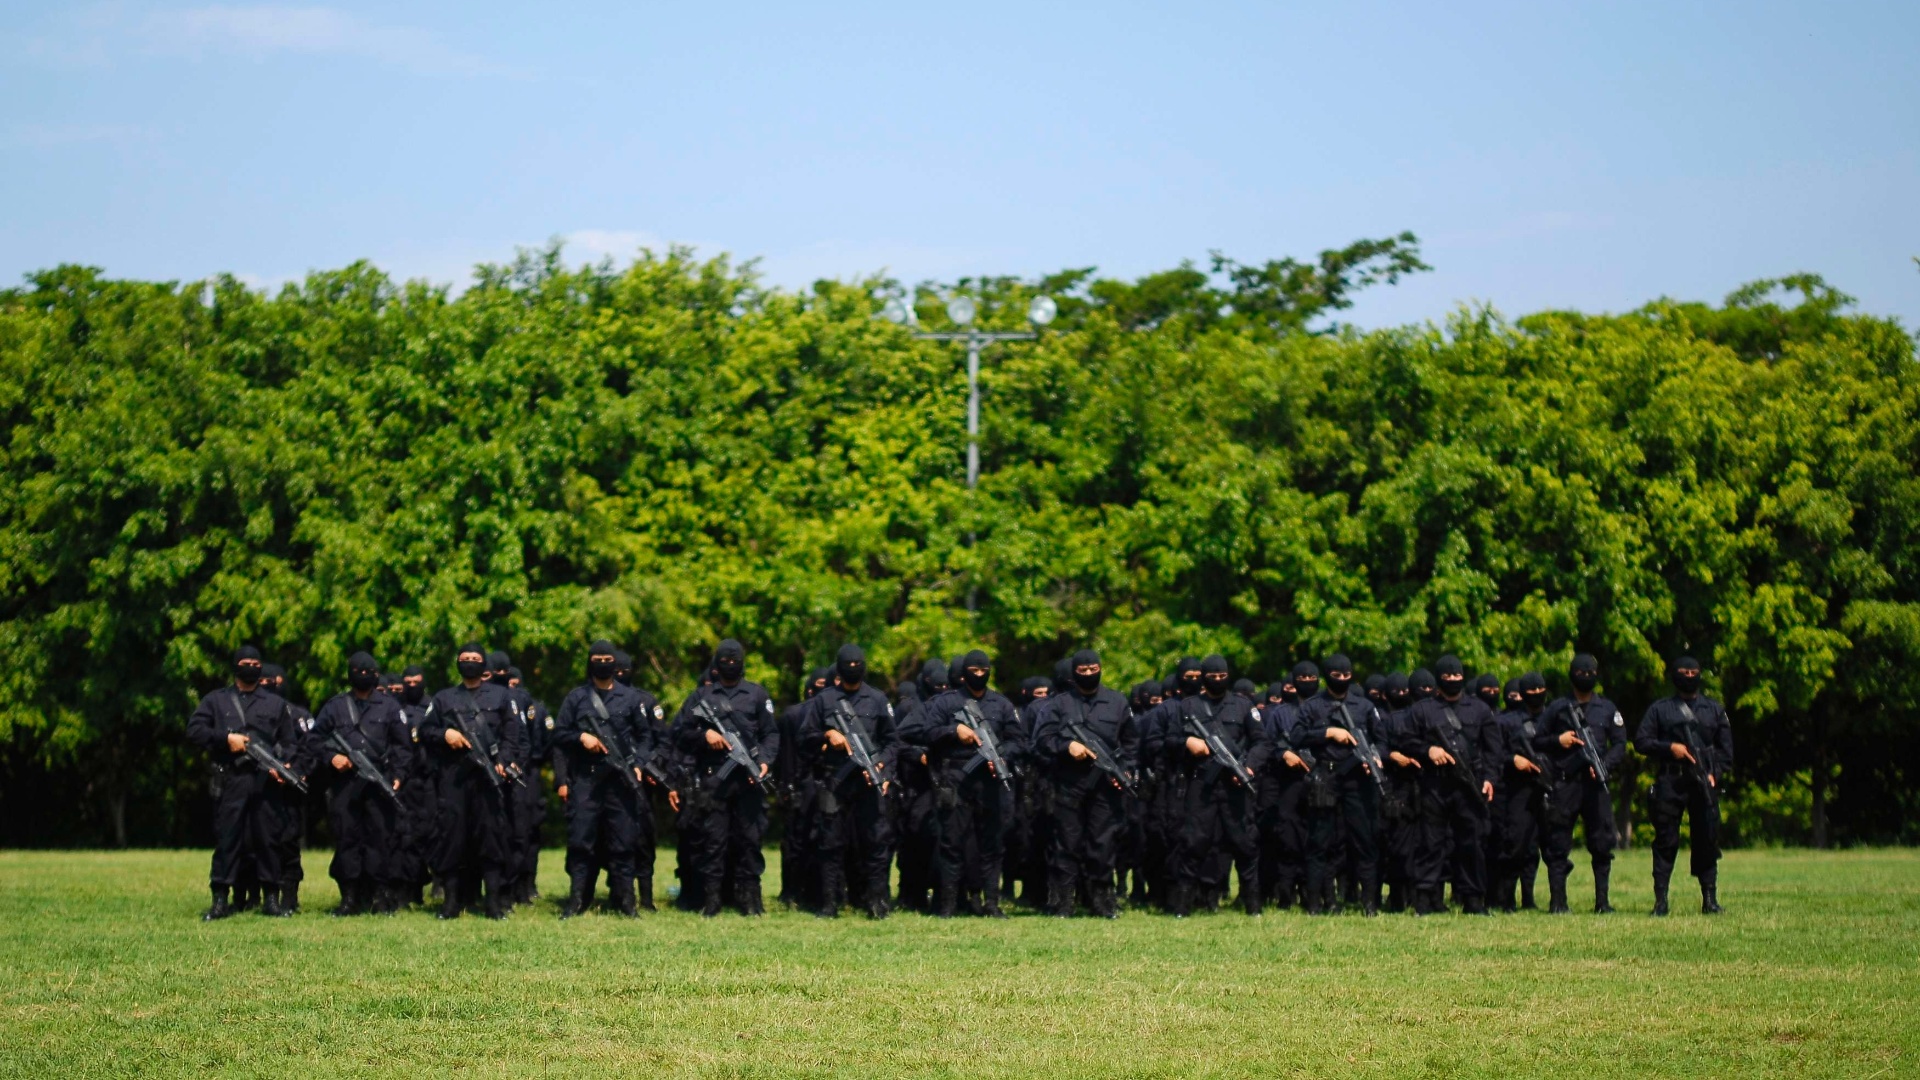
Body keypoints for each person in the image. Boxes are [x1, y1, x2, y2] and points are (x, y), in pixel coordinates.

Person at [900, 650, 1027, 917]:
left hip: (990, 780)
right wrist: (954, 731)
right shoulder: (947, 703)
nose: (979, 676)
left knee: (991, 843)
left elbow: (1019, 741)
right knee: (951, 842)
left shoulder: (1001, 705)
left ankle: (991, 903)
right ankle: (948, 904)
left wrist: (1002, 756)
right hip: (955, 779)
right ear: (964, 673)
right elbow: (927, 732)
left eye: (984, 671)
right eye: (974, 671)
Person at [186, 646, 305, 919]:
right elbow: (195, 730)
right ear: (235, 666)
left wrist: (284, 765)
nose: (251, 666)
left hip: (265, 784)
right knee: (228, 840)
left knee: (268, 841)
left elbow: (289, 743)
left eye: (255, 662)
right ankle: (220, 900)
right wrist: (226, 740)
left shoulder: (275, 704)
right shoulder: (217, 701)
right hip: (231, 779)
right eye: (245, 662)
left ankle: (271, 900)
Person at [553, 640, 666, 917]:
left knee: (624, 842)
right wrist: (581, 737)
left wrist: (638, 764)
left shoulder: (630, 699)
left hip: (620, 783)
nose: (602, 662)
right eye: (597, 658)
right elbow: (558, 734)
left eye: (607, 658)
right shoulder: (576, 698)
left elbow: (645, 737)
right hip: (587, 782)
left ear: (615, 663)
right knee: (581, 841)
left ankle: (627, 903)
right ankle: (577, 902)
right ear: (590, 661)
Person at [419, 643, 528, 919]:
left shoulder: (502, 697)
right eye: (464, 659)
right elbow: (425, 730)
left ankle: (493, 903)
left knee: (491, 838)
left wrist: (503, 761)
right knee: (453, 838)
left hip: (488, 781)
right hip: (454, 780)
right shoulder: (444, 699)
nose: (469, 662)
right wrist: (446, 735)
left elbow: (512, 734)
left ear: (484, 664)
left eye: (475, 659)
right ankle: (451, 903)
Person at [671, 639, 777, 916]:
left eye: (735, 660)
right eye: (725, 660)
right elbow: (680, 734)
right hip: (714, 783)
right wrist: (704, 736)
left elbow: (770, 734)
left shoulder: (757, 695)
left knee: (750, 840)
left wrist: (764, 761)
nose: (731, 665)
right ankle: (712, 900)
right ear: (717, 665)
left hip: (748, 782)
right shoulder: (701, 697)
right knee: (713, 841)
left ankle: (751, 899)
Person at [1031, 650, 1138, 918]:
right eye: (1083, 671)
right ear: (1074, 673)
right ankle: (1063, 903)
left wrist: (1126, 771)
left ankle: (1101, 901)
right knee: (1066, 843)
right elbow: (1042, 740)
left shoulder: (1117, 701)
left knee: (1102, 844)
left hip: (1105, 785)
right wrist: (1067, 746)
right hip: (1069, 783)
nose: (1089, 674)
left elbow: (1131, 743)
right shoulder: (1058, 704)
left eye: (1093, 669)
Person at [1161, 655, 1269, 916]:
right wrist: (1188, 742)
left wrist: (1249, 767)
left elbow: (1262, 743)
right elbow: (1169, 740)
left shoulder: (1243, 706)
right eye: (1213, 677)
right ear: (1203, 678)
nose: (1219, 681)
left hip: (1235, 785)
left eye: (1223, 676)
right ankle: (1183, 905)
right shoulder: (1189, 706)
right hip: (1203, 786)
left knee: (1245, 842)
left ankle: (1252, 904)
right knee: (1193, 842)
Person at [1397, 655, 1504, 915]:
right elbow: (1404, 740)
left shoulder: (1479, 710)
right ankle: (1424, 900)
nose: (1454, 680)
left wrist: (1490, 779)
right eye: (1448, 677)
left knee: (1472, 843)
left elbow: (1494, 749)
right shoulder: (1423, 709)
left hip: (1470, 787)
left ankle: (1473, 901)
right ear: (1439, 678)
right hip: (1435, 785)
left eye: (1458, 676)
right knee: (1431, 844)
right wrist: (1428, 750)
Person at [796, 644, 897, 918]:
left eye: (859, 664)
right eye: (849, 665)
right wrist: (827, 735)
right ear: (839, 668)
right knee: (830, 843)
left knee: (875, 842)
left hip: (867, 782)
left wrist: (882, 767)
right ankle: (829, 903)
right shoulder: (824, 700)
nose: (855, 669)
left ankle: (876, 902)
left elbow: (891, 742)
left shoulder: (877, 700)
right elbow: (804, 739)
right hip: (835, 781)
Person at [313, 651, 412, 915]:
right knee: (347, 838)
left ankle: (380, 896)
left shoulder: (390, 707)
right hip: (344, 786)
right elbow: (313, 741)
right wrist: (332, 757)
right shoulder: (335, 707)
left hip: (378, 785)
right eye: (357, 670)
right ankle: (349, 897)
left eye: (368, 671)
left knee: (380, 839)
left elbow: (403, 747)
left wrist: (398, 776)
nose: (363, 675)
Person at [1635, 655, 1734, 916]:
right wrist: (1670, 748)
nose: (1689, 676)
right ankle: (1661, 901)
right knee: (1666, 840)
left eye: (1694, 672)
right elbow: (1642, 741)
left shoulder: (1714, 709)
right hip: (1671, 781)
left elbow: (1726, 752)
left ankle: (1710, 900)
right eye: (1684, 672)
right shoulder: (1660, 709)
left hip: (1704, 783)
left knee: (1707, 839)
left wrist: (1716, 775)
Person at [1535, 652, 1628, 914]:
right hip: (1566, 784)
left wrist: (1605, 765)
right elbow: (1537, 740)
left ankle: (1602, 902)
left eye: (1590, 673)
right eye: (1580, 673)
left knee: (1601, 843)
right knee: (1558, 842)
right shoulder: (1557, 707)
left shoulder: (1607, 709)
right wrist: (1559, 741)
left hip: (1596, 785)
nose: (1585, 677)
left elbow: (1620, 744)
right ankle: (1558, 902)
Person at [1296, 654, 1383, 915]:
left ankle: (1369, 903)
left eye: (1347, 675)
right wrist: (1327, 733)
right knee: (1319, 841)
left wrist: (1376, 757)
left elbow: (1381, 739)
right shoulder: (1313, 706)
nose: (1343, 680)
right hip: (1326, 777)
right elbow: (1297, 736)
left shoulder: (1365, 707)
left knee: (1364, 839)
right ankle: (1315, 903)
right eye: (1337, 675)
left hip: (1358, 779)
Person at [257, 663, 316, 914]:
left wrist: (296, 769)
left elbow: (312, 747)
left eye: (277, 682)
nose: (273, 686)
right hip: (260, 788)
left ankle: (289, 897)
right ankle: (257, 897)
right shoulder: (254, 713)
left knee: (289, 843)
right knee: (260, 843)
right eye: (268, 682)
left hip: (291, 788)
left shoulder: (300, 716)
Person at [1489, 672, 1549, 913]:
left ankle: (1542, 899)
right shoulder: (1506, 721)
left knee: (1546, 846)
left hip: (1548, 787)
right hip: (1517, 790)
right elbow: (1494, 753)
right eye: (1531, 690)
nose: (1536, 694)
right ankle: (1506, 900)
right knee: (1515, 844)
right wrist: (1513, 759)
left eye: (1540, 689)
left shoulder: (1553, 718)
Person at [776, 666, 832, 910]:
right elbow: (786, 753)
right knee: (800, 840)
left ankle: (799, 892)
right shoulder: (794, 716)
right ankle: (796, 891)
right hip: (804, 784)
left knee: (809, 840)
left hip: (812, 783)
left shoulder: (821, 713)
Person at [394, 665, 435, 906]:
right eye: (407, 681)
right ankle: (404, 890)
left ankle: (423, 886)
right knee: (403, 836)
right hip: (402, 780)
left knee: (427, 834)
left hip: (427, 779)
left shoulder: (432, 708)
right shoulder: (394, 707)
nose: (411, 685)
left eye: (416, 681)